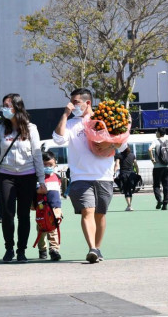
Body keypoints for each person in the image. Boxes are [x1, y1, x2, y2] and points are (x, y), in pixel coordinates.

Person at [53, 88, 113, 264]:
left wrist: (111, 146)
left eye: (76, 102)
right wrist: (65, 114)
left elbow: (119, 143)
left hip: (104, 175)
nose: (72, 105)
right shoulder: (71, 124)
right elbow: (58, 139)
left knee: (100, 214)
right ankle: (92, 248)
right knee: (87, 211)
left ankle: (98, 247)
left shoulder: (103, 120)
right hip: (80, 176)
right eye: (71, 102)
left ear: (88, 103)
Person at [0, 93, 46, 263]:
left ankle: (21, 250)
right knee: (7, 213)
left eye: (8, 105)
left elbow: (37, 155)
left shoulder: (31, 128)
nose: (4, 108)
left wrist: (41, 180)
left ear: (17, 107)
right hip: (6, 176)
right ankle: (9, 248)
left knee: (24, 215)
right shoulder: (0, 129)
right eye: (3, 105)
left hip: (27, 176)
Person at [36, 151, 62, 261]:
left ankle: (54, 249)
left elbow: (59, 191)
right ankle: (42, 249)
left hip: (55, 207)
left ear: (55, 164)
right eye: (44, 165)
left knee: (53, 228)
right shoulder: (38, 178)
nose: (48, 167)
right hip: (42, 208)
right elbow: (35, 192)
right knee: (41, 229)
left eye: (50, 165)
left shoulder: (57, 177)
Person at [149, 128, 168, 210]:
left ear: (159, 133)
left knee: (156, 185)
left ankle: (159, 200)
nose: (156, 133)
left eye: (156, 132)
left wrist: (152, 159)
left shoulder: (155, 141)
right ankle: (165, 204)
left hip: (157, 167)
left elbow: (150, 149)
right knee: (167, 186)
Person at [114, 144, 138, 211]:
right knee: (130, 190)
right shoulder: (132, 155)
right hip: (131, 174)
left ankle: (129, 205)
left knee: (126, 190)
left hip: (124, 174)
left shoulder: (119, 155)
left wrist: (114, 172)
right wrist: (138, 172)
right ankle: (129, 205)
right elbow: (136, 165)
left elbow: (117, 164)